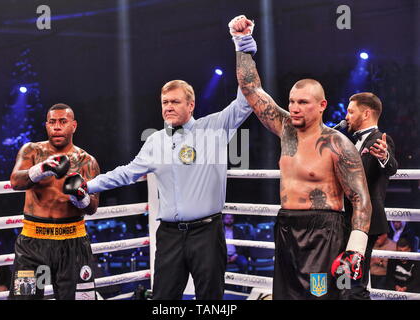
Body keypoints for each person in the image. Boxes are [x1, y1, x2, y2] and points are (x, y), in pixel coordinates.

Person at [68, 79, 252, 300]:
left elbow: (245, 102)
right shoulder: (155, 140)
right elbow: (127, 172)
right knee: (163, 298)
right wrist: (88, 185)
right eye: (165, 102)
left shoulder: (213, 128)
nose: (168, 107)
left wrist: (244, 51)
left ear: (191, 105)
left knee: (210, 299)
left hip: (206, 233)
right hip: (169, 235)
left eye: (175, 101)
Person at [230, 15, 372, 299]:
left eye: (302, 103)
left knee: (319, 295)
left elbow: (360, 199)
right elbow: (251, 90)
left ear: (321, 106)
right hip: (286, 226)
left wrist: (354, 249)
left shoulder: (337, 144)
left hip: (323, 234)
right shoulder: (285, 129)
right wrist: (242, 43)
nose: (294, 108)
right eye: (292, 101)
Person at [8, 103, 100, 300]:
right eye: (52, 122)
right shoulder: (32, 151)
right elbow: (16, 182)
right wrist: (42, 169)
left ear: (73, 126)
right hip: (32, 244)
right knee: (24, 298)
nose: (57, 127)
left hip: (72, 242)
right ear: (46, 125)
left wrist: (80, 197)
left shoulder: (87, 161)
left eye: (63, 122)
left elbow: (93, 208)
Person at [344, 92, 398, 299]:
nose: (346, 116)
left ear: (366, 114)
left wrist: (384, 156)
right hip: (347, 219)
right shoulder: (351, 141)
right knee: (344, 278)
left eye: (351, 111)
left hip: (365, 222)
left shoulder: (380, 140)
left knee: (354, 283)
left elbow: (391, 167)